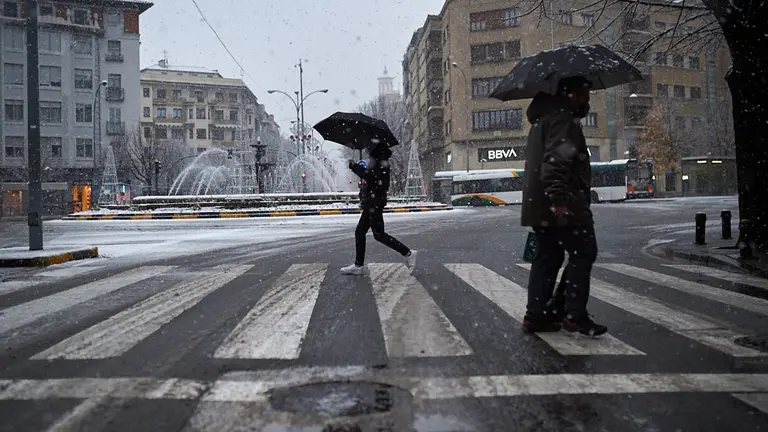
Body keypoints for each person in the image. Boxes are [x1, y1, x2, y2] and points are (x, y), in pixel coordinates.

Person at [520, 76, 607, 337]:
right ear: (569, 94)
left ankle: (538, 315)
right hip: (563, 204)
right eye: (583, 94)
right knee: (584, 251)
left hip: (540, 204)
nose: (587, 100)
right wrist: (559, 200)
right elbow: (556, 163)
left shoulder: (542, 119)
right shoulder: (562, 120)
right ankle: (572, 314)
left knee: (548, 257)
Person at [341, 144, 417, 275]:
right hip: (372, 203)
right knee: (360, 232)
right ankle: (358, 265)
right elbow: (371, 179)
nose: (367, 148)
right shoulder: (377, 160)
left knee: (379, 235)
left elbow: (371, 178)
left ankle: (408, 253)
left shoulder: (380, 161)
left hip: (374, 203)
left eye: (369, 146)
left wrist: (355, 167)